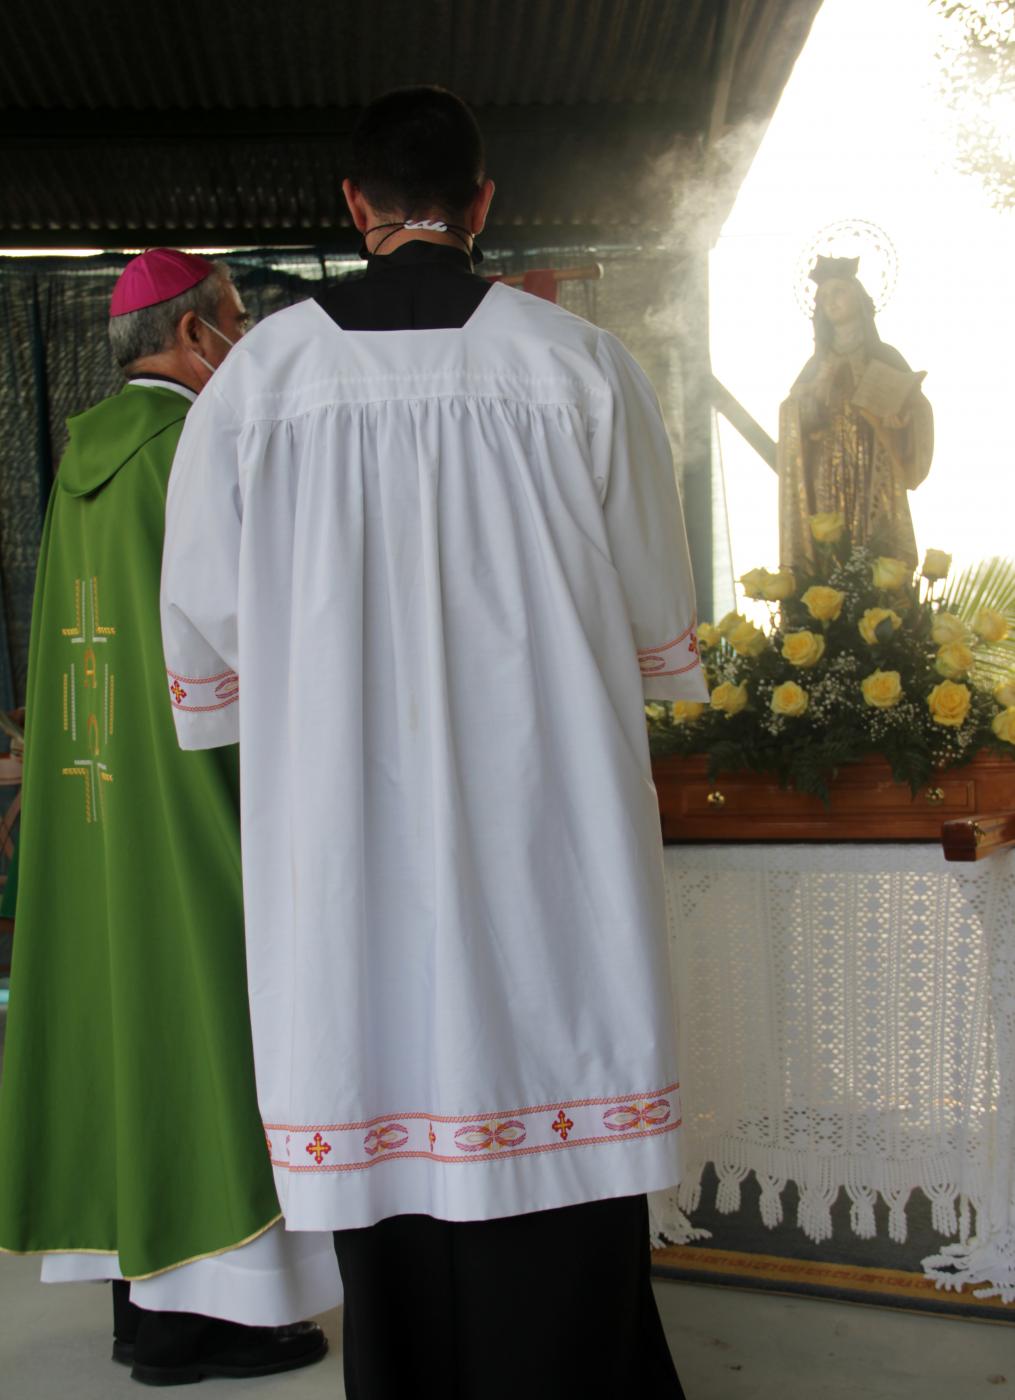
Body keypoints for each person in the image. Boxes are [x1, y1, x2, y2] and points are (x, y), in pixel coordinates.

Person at [160, 88, 705, 1400]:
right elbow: (657, 616)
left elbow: (204, 632)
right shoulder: (577, 365)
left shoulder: (259, 382)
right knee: (558, 1073)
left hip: (345, 842)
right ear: (483, 200)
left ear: (354, 205)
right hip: (548, 834)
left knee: (376, 1083)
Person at [0, 250, 339, 1386]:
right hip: (194, 791)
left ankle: (141, 1310)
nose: (243, 340)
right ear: (195, 336)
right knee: (208, 1024)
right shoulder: (197, 444)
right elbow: (252, 634)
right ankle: (206, 1326)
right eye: (236, 319)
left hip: (98, 794)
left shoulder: (85, 460)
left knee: (124, 1026)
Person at [778, 255, 934, 571]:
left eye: (839, 292)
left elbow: (915, 408)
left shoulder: (884, 355)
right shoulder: (816, 365)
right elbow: (793, 418)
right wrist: (814, 392)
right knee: (829, 551)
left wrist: (900, 421)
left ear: (858, 298)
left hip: (875, 466)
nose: (831, 301)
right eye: (823, 297)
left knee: (877, 544)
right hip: (827, 470)